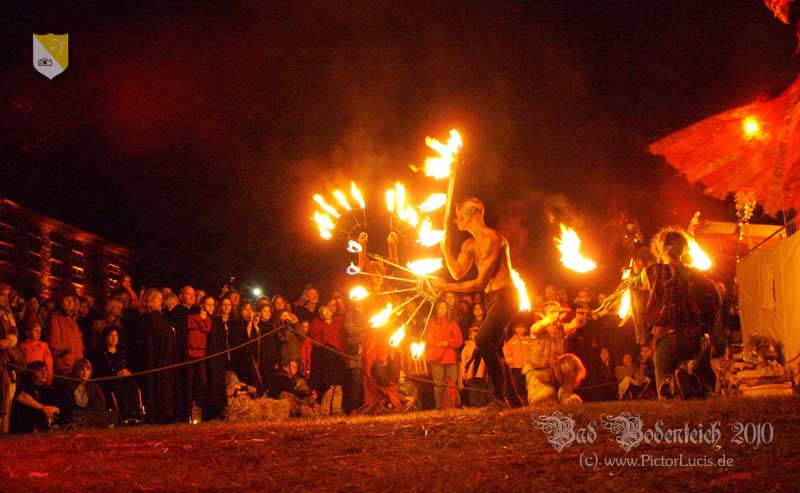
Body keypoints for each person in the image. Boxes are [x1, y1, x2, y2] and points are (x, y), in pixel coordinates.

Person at [432, 197, 519, 409]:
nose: (457, 219)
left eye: (460, 214)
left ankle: (499, 399)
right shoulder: (469, 244)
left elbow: (479, 283)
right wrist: (445, 248)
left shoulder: (491, 238)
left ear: (472, 215)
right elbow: (457, 272)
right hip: (492, 299)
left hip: (506, 296)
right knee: (494, 348)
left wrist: (445, 287)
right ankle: (514, 400)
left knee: (482, 340)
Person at [642, 227, 718, 398]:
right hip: (696, 339)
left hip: (669, 337)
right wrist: (707, 329)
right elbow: (714, 299)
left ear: (663, 248)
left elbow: (653, 306)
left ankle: (670, 391)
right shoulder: (697, 275)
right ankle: (685, 384)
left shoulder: (653, 273)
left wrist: (652, 335)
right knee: (695, 382)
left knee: (662, 376)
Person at [139, 288, 177, 424]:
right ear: (151, 300)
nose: (161, 302)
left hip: (165, 358)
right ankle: (156, 414)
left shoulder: (161, 318)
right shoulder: (147, 319)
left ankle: (166, 413)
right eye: (158, 299)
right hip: (154, 359)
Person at [94, 327, 142, 422]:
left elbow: (131, 365)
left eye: (116, 335)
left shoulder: (122, 352)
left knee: (133, 385)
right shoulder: (100, 354)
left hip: (126, 379)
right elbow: (100, 371)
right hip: (111, 381)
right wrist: (115, 374)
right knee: (119, 387)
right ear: (106, 337)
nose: (114, 338)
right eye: (111, 335)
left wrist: (128, 371)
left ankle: (137, 413)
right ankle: (125, 413)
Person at [423, 300, 463, 409]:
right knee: (438, 384)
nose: (442, 310)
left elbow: (459, 340)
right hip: (436, 357)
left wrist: (448, 342)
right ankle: (438, 405)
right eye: (440, 307)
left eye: (444, 307)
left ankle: (450, 405)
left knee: (451, 383)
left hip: (450, 357)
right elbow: (426, 338)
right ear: (436, 308)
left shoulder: (452, 323)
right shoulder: (430, 322)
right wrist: (436, 343)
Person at [58, 358, 117, 428]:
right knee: (74, 415)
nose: (85, 372)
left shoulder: (94, 386)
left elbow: (98, 407)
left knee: (109, 415)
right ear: (76, 370)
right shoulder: (67, 385)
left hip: (90, 414)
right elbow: (64, 406)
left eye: (88, 370)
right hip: (75, 414)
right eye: (82, 370)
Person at [10, 361, 59, 434]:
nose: (44, 373)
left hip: (43, 428)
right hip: (25, 427)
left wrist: (54, 409)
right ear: (32, 374)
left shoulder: (49, 390)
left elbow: (56, 407)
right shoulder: (26, 385)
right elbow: (21, 396)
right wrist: (43, 408)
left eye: (45, 370)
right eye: (40, 371)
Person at [47, 293, 85, 376]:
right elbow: (54, 343)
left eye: (72, 300)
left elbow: (78, 340)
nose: (70, 303)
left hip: (76, 365)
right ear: (61, 302)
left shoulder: (72, 320)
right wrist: (67, 351)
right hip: (64, 365)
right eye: (67, 300)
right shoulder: (55, 318)